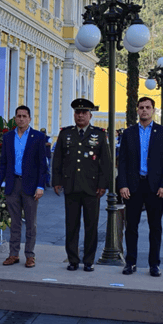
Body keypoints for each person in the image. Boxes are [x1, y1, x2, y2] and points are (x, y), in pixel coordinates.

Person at [118, 97, 163, 277]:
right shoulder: (129, 133)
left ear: (153, 110)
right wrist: (123, 184)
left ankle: (154, 264)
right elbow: (123, 161)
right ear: (137, 110)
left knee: (155, 227)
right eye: (141, 107)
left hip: (155, 187)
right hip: (134, 186)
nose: (144, 110)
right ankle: (131, 262)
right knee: (131, 226)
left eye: (147, 107)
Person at [52, 98, 110, 271]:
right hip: (71, 186)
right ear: (74, 115)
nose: (80, 116)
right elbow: (58, 160)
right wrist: (56, 181)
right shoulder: (66, 133)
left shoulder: (99, 134)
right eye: (78, 112)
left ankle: (89, 260)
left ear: (90, 115)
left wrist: (103, 185)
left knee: (91, 226)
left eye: (84, 113)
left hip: (92, 188)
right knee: (71, 225)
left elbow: (105, 162)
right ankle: (73, 259)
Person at [0, 105, 47, 268]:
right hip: (12, 184)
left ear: (29, 119)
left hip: (30, 185)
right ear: (15, 118)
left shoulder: (38, 137)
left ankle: (30, 255)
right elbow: (3, 163)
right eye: (18, 116)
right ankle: (13, 254)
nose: (21, 119)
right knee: (14, 222)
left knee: (31, 223)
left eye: (24, 116)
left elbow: (42, 165)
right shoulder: (8, 137)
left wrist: (40, 186)